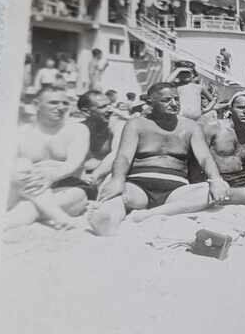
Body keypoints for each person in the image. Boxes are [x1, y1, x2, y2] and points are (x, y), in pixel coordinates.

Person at [86, 83, 231, 235]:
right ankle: (110, 221)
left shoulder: (190, 127)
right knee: (114, 202)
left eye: (176, 99)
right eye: (166, 100)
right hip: (139, 187)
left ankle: (145, 216)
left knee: (211, 191)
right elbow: (123, 156)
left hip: (175, 192)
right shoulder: (137, 124)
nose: (174, 104)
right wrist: (117, 180)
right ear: (150, 102)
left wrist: (216, 180)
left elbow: (205, 157)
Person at [5, 86, 92, 230]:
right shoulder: (21, 132)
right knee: (22, 164)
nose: (61, 107)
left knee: (29, 207)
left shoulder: (77, 130)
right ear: (36, 104)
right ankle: (59, 216)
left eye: (65, 103)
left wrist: (51, 176)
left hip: (65, 186)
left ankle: (0, 225)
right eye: (53, 103)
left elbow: (74, 163)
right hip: (25, 188)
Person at [201, 91, 245, 206]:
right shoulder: (214, 128)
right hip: (217, 180)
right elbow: (199, 158)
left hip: (242, 181)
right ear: (230, 109)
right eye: (241, 108)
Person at [76, 90, 120, 186]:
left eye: (110, 105)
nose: (110, 110)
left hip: (105, 175)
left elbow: (117, 156)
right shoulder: (77, 129)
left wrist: (94, 176)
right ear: (86, 112)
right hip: (80, 176)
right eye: (103, 107)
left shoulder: (116, 128)